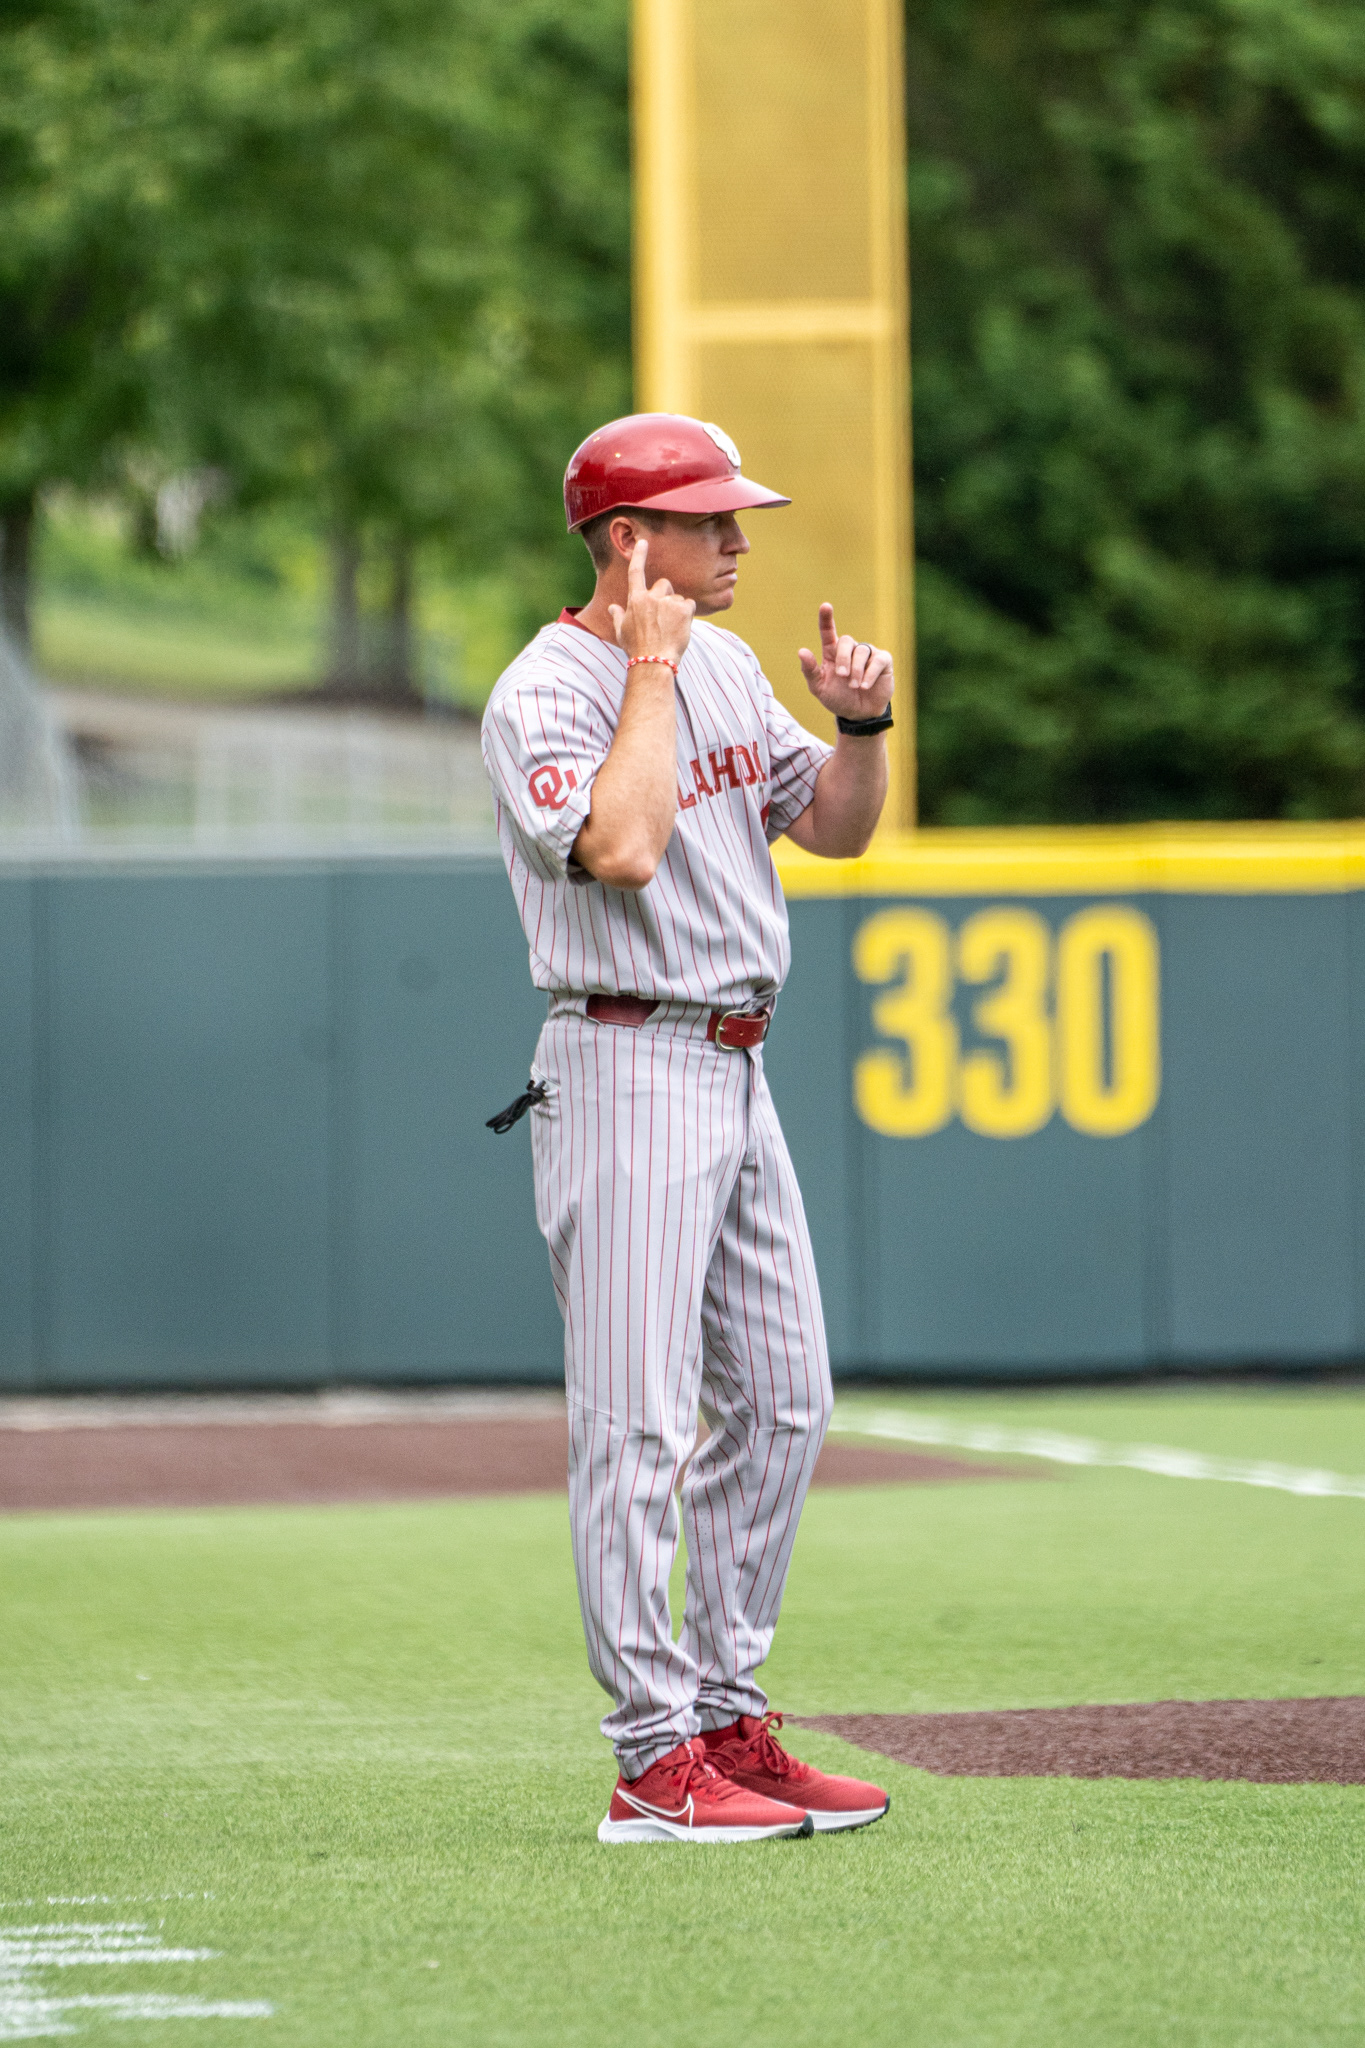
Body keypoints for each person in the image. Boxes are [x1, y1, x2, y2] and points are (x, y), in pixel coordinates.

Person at [481, 412, 893, 1844]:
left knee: (784, 1400)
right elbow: (624, 848)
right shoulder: (545, 693)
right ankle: (650, 1763)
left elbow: (834, 829)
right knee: (637, 1424)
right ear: (623, 541)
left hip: (732, 1064)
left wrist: (859, 727)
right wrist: (645, 670)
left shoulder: (718, 663)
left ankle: (724, 1713)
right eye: (709, 519)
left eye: (734, 518)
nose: (736, 541)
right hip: (619, 1057)